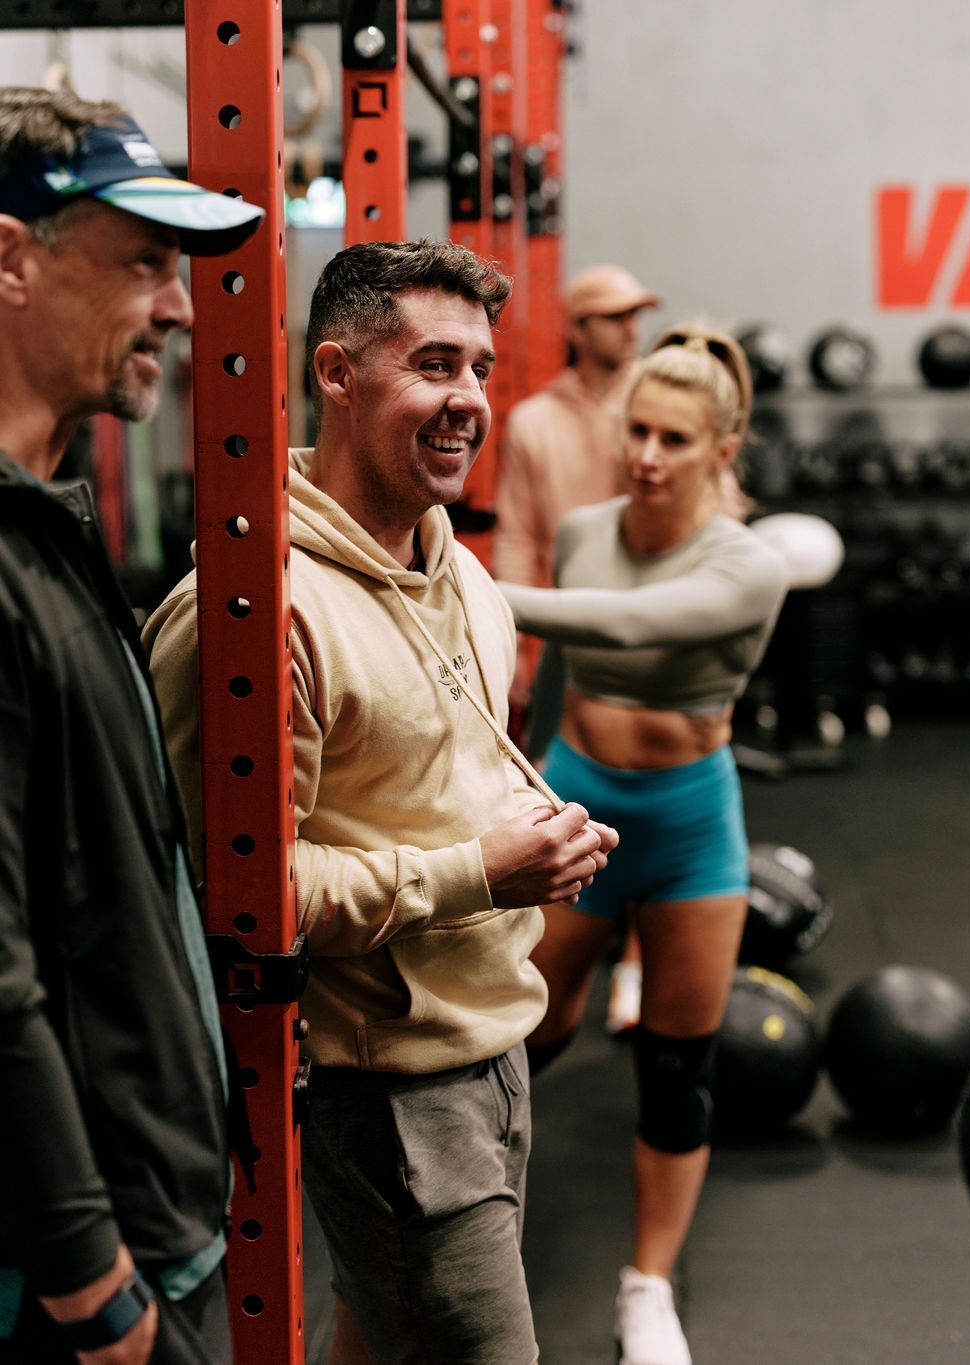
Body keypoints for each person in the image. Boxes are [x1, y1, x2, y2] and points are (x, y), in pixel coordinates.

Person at [144, 239, 619, 1365]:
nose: (468, 401)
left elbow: (445, 776)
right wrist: (480, 873)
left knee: (375, 1337)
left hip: (495, 1049)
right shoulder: (254, 613)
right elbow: (225, 891)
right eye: (434, 364)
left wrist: (532, 840)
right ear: (336, 374)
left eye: (482, 371)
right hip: (386, 1093)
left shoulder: (461, 574)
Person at [0, 87, 265, 1365]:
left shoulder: (47, 525)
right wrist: (92, 1286)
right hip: (73, 1282)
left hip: (141, 1214)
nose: (177, 304)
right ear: (12, 258)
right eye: (146, 263)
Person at [497, 325, 788, 1365]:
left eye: (673, 438)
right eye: (637, 432)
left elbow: (630, 628)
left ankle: (647, 1287)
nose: (646, 456)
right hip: (579, 795)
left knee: (675, 1066)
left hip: (690, 823)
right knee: (526, 1025)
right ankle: (478, 1216)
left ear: (722, 446)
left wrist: (451, 589)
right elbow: (573, 672)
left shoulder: (748, 566)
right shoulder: (583, 532)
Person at [493, 264, 660, 720]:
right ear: (578, 331)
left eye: (636, 315)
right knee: (557, 776)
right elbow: (517, 538)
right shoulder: (535, 421)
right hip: (562, 628)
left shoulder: (662, 412)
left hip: (649, 621)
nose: (631, 329)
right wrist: (512, 652)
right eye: (614, 317)